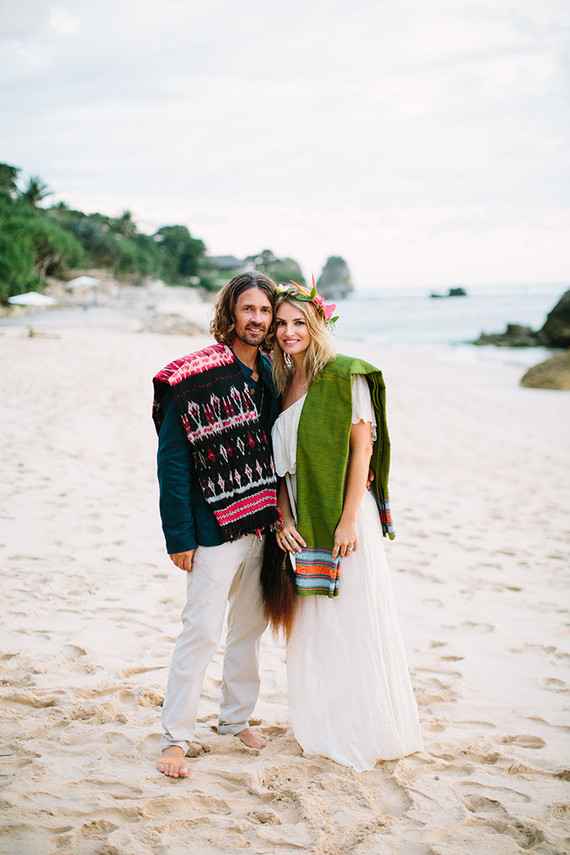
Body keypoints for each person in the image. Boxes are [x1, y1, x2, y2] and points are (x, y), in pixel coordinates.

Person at [263, 280, 423, 772]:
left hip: (343, 519)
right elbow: (282, 468)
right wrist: (283, 518)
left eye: (299, 322)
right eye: (281, 323)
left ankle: (367, 725)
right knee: (317, 624)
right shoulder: (279, 381)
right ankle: (326, 719)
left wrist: (349, 520)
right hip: (303, 517)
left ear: (318, 324)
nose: (290, 332)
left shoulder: (342, 374)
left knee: (353, 620)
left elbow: (362, 451)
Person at [152, 271, 281, 778]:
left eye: (265, 311)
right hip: (211, 528)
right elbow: (172, 463)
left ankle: (235, 720)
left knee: (249, 628)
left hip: (262, 522)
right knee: (200, 632)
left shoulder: (270, 372)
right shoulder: (194, 376)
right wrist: (178, 536)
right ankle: (176, 737)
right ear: (230, 313)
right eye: (248, 309)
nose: (257, 319)